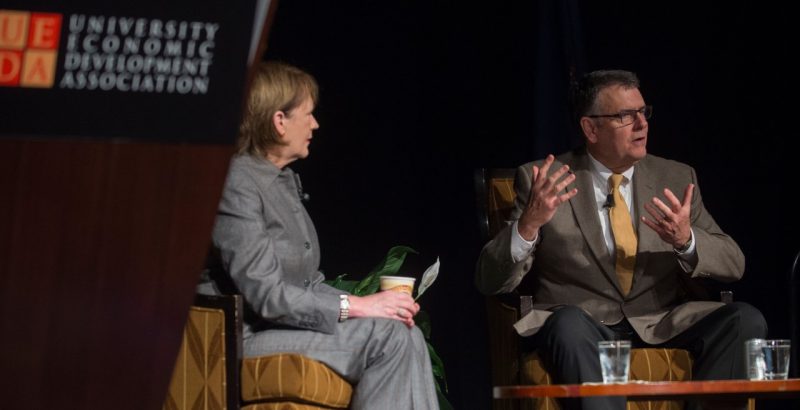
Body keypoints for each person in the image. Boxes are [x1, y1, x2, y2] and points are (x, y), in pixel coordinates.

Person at [475, 69, 766, 410]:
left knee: (745, 319)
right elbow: (489, 279)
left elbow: (734, 264)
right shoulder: (544, 178)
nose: (642, 124)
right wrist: (529, 225)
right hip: (583, 325)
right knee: (568, 323)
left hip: (659, 321)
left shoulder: (674, 176)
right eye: (625, 116)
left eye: (644, 112)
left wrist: (687, 240)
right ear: (590, 128)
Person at [199, 61, 439, 410]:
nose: (315, 124)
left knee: (403, 333)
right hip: (243, 335)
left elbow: (309, 283)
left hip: (283, 328)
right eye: (308, 114)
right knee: (388, 340)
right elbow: (266, 295)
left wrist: (375, 308)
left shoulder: (282, 181)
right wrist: (357, 305)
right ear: (279, 122)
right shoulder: (237, 184)